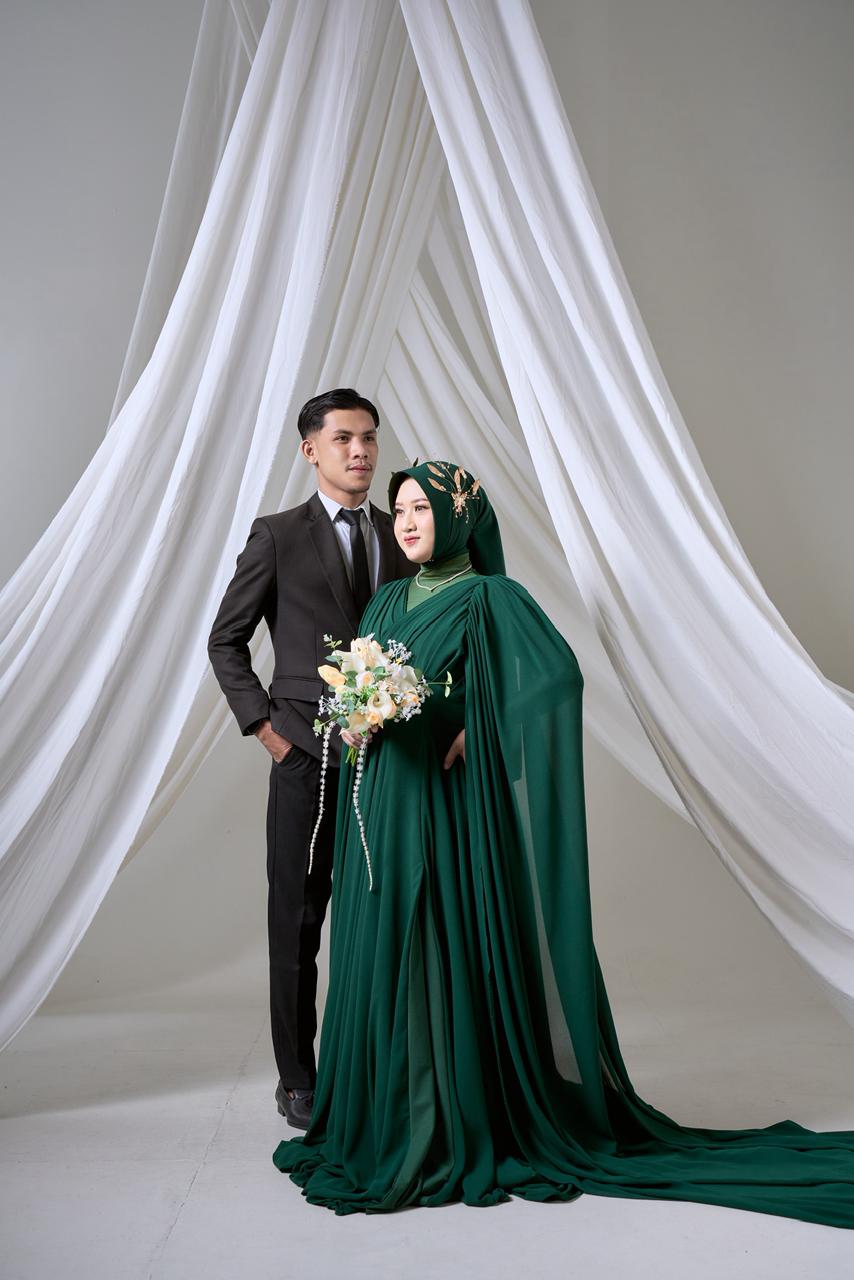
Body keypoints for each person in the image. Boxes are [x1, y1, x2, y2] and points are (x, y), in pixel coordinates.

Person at [271, 459, 854, 1226]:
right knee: (385, 939)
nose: (406, 522)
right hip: (381, 797)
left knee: (440, 938)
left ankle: (451, 1115)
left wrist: (480, 729)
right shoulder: (384, 600)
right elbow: (363, 685)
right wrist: (353, 719)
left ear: (458, 518)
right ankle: (390, 1110)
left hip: (445, 804)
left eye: (422, 509)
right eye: (400, 509)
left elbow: (554, 679)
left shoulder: (490, 597)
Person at [207, 388, 416, 1131]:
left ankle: (380, 1066)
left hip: (393, 761)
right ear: (310, 449)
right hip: (306, 755)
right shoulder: (277, 535)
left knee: (387, 913)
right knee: (297, 923)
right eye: (344, 439)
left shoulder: (401, 532)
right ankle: (297, 1079)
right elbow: (225, 641)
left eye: (370, 438)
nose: (361, 451)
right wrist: (269, 733)